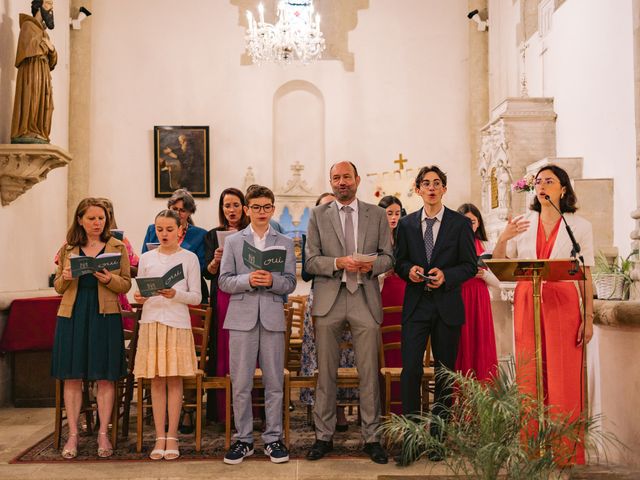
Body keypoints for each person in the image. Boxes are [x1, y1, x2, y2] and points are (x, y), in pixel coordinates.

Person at [492, 164, 594, 464]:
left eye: (549, 181)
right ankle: (530, 449)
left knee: (563, 373)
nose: (542, 185)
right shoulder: (523, 223)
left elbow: (586, 274)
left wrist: (587, 318)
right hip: (528, 299)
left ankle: (564, 451)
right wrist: (503, 238)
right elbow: (500, 265)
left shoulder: (579, 225)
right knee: (530, 373)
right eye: (538, 181)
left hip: (562, 300)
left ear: (563, 188)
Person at [304, 161, 393, 464]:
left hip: (364, 296)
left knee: (368, 372)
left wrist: (371, 265)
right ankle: (323, 436)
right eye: (336, 178)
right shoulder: (317, 215)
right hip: (330, 296)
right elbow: (311, 261)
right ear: (331, 181)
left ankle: (372, 437)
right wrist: (338, 263)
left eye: (346, 177)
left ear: (357, 180)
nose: (341, 182)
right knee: (326, 372)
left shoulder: (377, 214)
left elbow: (389, 259)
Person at [394, 165, 477, 464]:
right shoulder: (405, 225)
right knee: (411, 372)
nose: (431, 188)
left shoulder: (459, 224)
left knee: (444, 374)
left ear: (444, 188)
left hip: (446, 306)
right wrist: (410, 272)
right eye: (425, 184)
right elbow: (399, 261)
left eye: (437, 183)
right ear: (417, 190)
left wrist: (447, 275)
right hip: (416, 306)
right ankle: (411, 440)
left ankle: (438, 440)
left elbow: (470, 265)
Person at [218, 185, 297, 464]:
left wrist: (273, 282)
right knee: (241, 383)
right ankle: (243, 439)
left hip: (273, 317)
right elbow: (224, 280)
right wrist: (248, 280)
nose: (261, 212)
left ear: (273, 209)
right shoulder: (234, 242)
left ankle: (273, 438)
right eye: (256, 207)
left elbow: (290, 282)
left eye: (266, 207)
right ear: (247, 209)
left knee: (275, 382)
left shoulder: (285, 243)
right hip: (241, 318)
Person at [51, 198, 131, 459]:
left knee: (105, 375)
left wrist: (110, 279)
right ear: (80, 220)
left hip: (104, 314)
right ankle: (73, 435)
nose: (98, 223)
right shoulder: (69, 248)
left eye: (101, 218)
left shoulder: (117, 247)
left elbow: (126, 284)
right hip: (73, 314)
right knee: (72, 375)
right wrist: (64, 277)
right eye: (92, 218)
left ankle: (103, 434)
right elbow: (58, 288)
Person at [133, 209, 201, 460]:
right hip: (152, 322)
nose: (164, 234)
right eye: (159, 229)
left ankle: (172, 435)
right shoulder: (147, 258)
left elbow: (196, 297)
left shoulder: (189, 258)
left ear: (180, 231)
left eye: (169, 229)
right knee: (156, 380)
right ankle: (158, 436)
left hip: (176, 324)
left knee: (174, 380)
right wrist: (139, 297)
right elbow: (140, 293)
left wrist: (176, 294)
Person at [299, 192, 358, 430]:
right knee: (317, 355)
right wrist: (332, 263)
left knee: (345, 355)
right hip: (320, 298)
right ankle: (320, 409)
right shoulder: (311, 236)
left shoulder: (350, 235)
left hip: (347, 297)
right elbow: (305, 273)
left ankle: (341, 410)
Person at [202, 187, 250, 422]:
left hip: (248, 294)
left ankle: (252, 411)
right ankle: (223, 411)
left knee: (249, 349)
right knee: (224, 348)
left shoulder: (253, 232)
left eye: (235, 205)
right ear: (222, 209)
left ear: (244, 207)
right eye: (226, 205)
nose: (231, 210)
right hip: (223, 295)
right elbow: (208, 273)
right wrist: (215, 261)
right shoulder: (213, 235)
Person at [454, 203, 498, 381]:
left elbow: (499, 282)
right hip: (459, 298)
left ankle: (484, 399)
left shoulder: (487, 245)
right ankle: (460, 398)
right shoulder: (451, 245)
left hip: (480, 300)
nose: (468, 225)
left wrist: (484, 274)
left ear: (478, 223)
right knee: (461, 345)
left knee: (481, 343)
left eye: (471, 221)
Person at [11, 0, 57, 143]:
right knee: (32, 98)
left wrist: (52, 49)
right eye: (48, 4)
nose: (51, 9)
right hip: (32, 71)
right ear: (39, 7)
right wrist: (46, 46)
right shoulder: (28, 26)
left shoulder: (45, 34)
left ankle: (39, 130)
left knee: (46, 105)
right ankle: (28, 130)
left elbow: (53, 61)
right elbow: (30, 49)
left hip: (43, 73)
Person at [377, 195, 407, 415]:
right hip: (381, 293)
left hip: (403, 293)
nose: (394, 217)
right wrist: (380, 272)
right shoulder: (373, 237)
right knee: (382, 349)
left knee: (403, 346)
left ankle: (403, 403)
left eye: (397, 213)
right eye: (390, 213)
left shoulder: (405, 235)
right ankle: (382, 406)